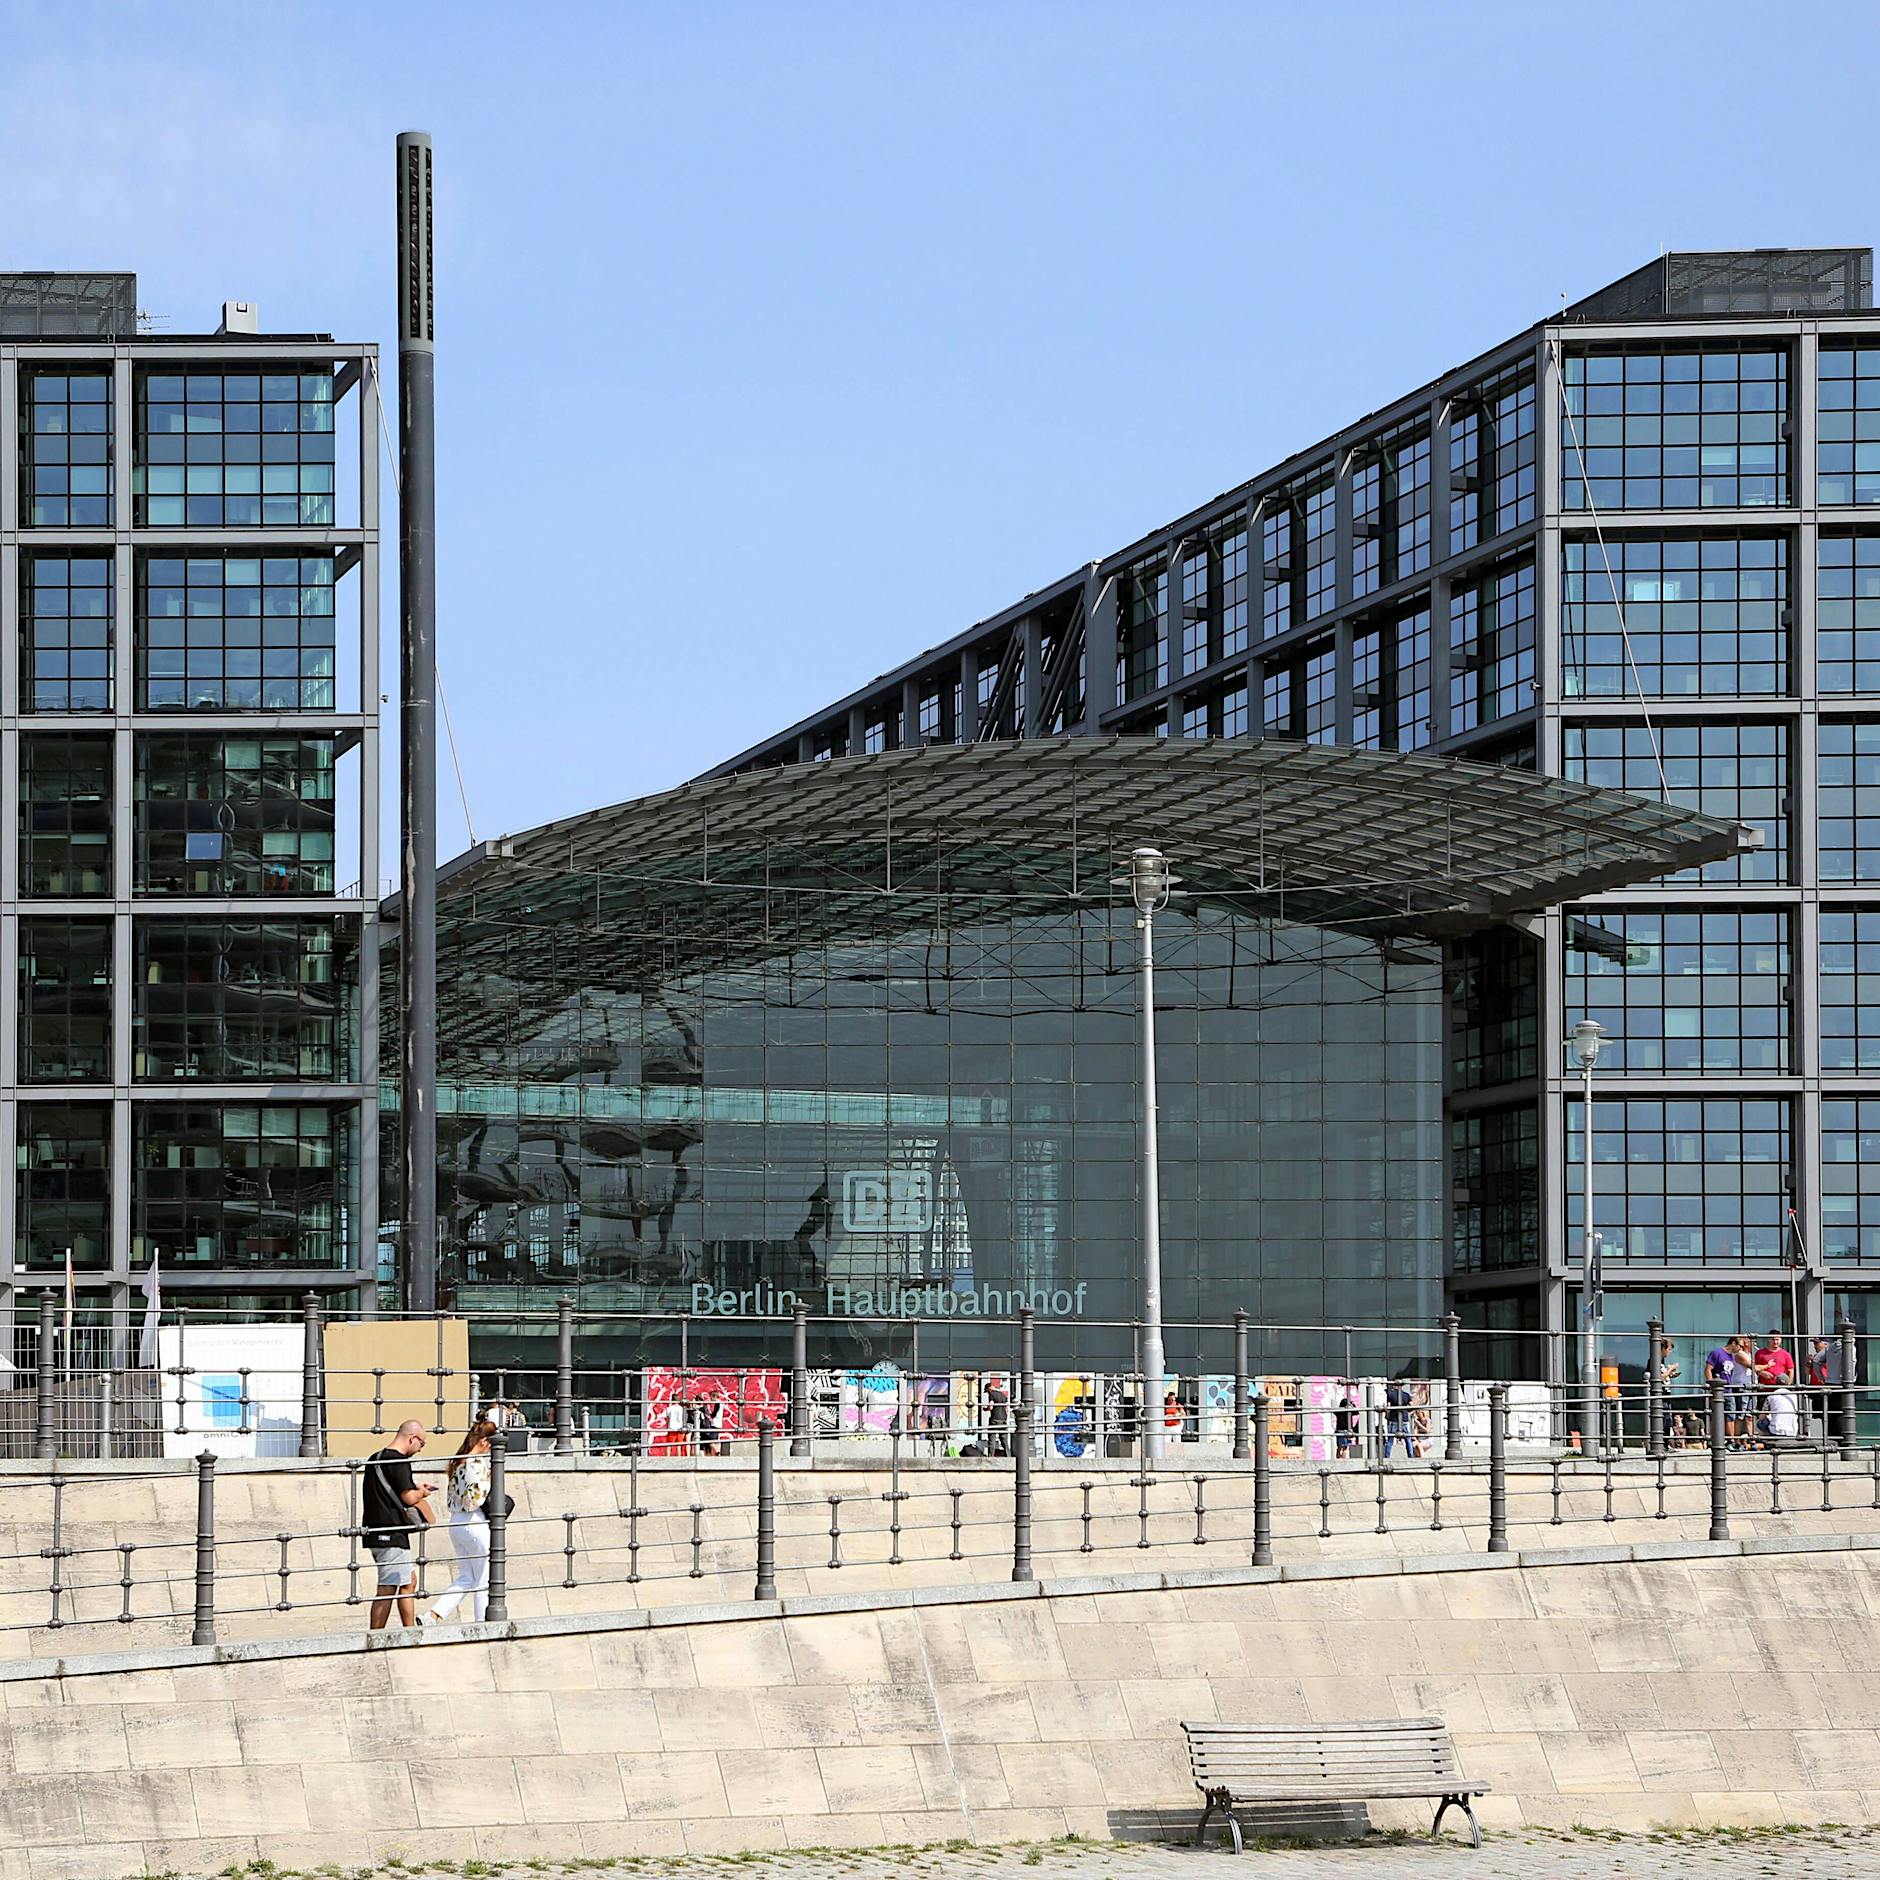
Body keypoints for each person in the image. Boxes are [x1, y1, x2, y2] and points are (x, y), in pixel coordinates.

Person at [423, 1416, 497, 1625]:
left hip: (456, 1522)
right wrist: (490, 1480)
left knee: (466, 1577)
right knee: (485, 1578)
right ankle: (482, 1623)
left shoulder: (458, 1461)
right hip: (474, 1521)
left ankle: (433, 1615)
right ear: (484, 1442)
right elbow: (475, 1499)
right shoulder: (478, 1463)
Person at [364, 1418, 435, 1630]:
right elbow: (408, 1498)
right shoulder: (400, 1461)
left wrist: (413, 1487)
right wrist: (422, 1492)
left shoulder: (374, 1459)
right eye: (421, 1444)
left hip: (375, 1530)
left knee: (408, 1582)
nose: (420, 1449)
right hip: (391, 1532)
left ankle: (409, 1630)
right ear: (413, 1438)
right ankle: (378, 1635)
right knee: (388, 1586)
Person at [1382, 1378, 1413, 1459]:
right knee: (1408, 1438)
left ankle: (1387, 1456)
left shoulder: (1390, 1395)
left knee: (1390, 1439)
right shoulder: (1406, 1395)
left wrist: (1387, 1414)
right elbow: (1412, 1406)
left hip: (1393, 1418)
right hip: (1405, 1419)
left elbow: (1388, 1407)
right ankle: (1410, 1455)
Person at [983, 1376, 1011, 1458]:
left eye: (987, 1391)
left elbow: (991, 1406)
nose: (988, 1393)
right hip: (1003, 1419)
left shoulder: (991, 1394)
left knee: (992, 1438)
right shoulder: (1003, 1395)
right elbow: (1007, 1408)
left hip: (994, 1419)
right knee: (1004, 1439)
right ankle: (1008, 1456)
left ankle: (990, 1457)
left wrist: (986, 1409)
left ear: (989, 1388)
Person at [695, 1391, 723, 1459]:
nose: (710, 1399)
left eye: (711, 1397)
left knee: (708, 1440)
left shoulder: (718, 1403)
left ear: (714, 1397)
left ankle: (717, 1451)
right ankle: (716, 1454)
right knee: (715, 1439)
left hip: (716, 1424)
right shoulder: (720, 1403)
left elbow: (714, 1413)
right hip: (718, 1423)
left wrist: (709, 1415)